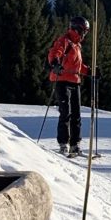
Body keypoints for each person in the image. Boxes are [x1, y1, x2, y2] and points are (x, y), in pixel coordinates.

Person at [47, 15, 90, 156]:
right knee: (66, 112)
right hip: (62, 81)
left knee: (76, 115)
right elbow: (54, 53)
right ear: (77, 29)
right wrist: (55, 63)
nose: (85, 34)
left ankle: (75, 145)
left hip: (75, 82)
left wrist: (90, 71)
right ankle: (63, 144)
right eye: (84, 31)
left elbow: (77, 66)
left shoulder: (77, 45)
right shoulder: (64, 41)